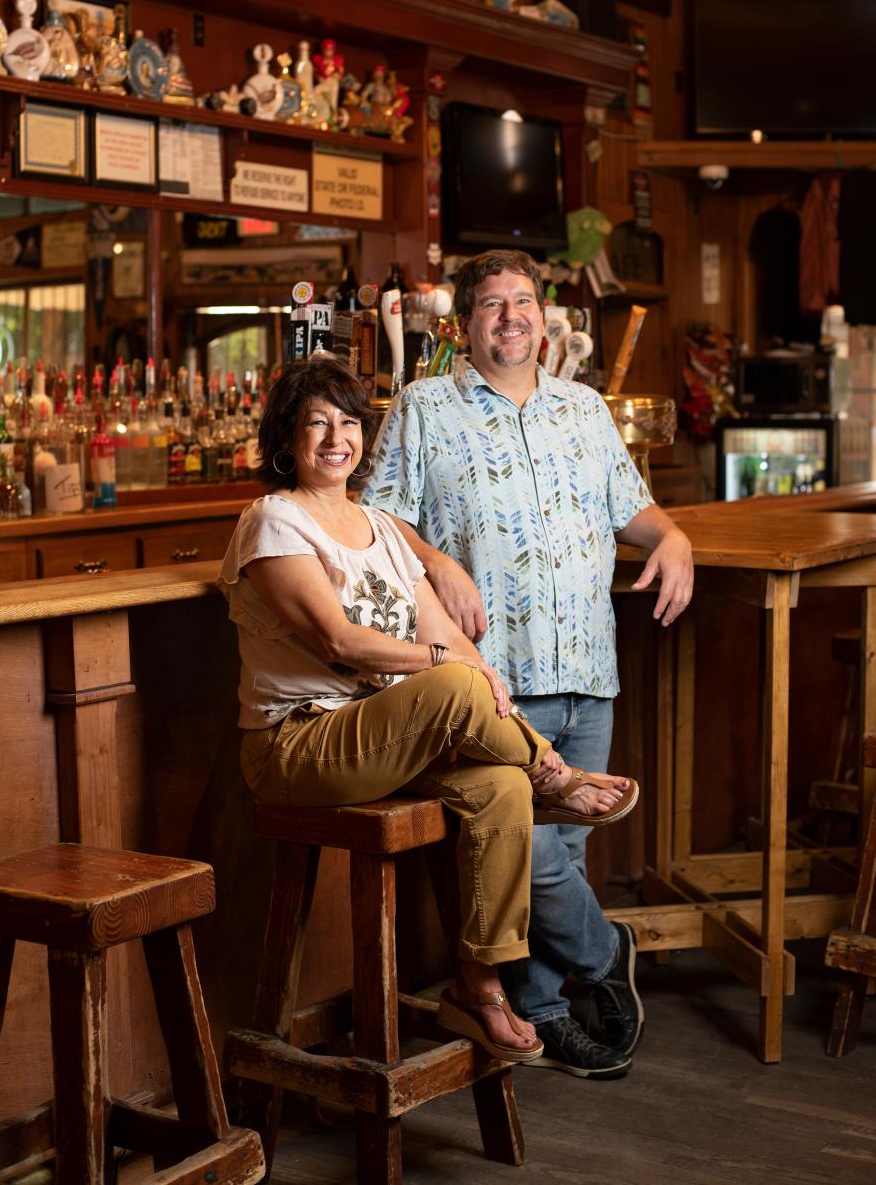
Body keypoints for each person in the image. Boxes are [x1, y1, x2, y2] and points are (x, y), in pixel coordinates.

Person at [218, 354, 639, 1065]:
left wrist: (478, 680)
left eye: (348, 422)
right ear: (286, 438)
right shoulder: (273, 521)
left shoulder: (381, 527)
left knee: (499, 783)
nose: (335, 439)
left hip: (385, 741)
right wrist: (460, 675)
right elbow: (342, 641)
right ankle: (552, 776)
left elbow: (446, 639)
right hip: (298, 745)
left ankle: (480, 984)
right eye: (315, 423)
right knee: (456, 684)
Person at [362, 249, 694, 1078]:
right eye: (491, 305)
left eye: (523, 302)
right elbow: (372, 521)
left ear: (546, 317)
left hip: (588, 666)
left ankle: (546, 1016)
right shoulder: (423, 407)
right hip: (489, 680)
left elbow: (636, 510)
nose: (511, 317)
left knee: (565, 851)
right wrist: (436, 561)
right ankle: (602, 947)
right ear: (464, 324)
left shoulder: (584, 408)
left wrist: (675, 537)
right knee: (526, 847)